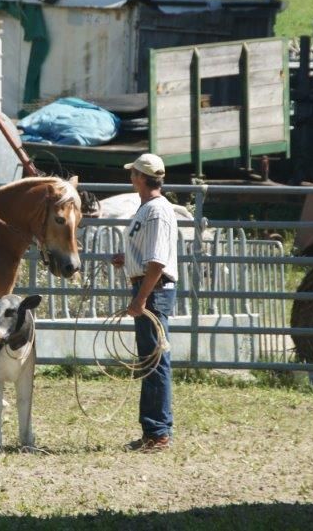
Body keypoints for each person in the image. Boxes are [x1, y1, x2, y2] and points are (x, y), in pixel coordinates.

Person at [111, 153, 177, 452]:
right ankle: (154, 431)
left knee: (154, 362)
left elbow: (158, 262)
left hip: (153, 290)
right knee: (151, 362)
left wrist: (141, 298)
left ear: (139, 177)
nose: (131, 177)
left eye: (133, 173)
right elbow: (150, 253)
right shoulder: (149, 209)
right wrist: (128, 259)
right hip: (150, 288)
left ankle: (158, 432)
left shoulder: (156, 211)